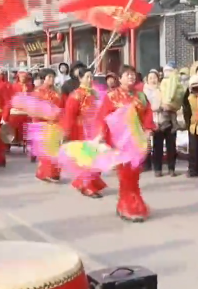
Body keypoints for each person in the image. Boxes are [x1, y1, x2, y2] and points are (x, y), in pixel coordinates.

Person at [95, 65, 155, 222]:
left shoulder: (141, 96)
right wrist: (102, 134)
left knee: (134, 174)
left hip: (136, 141)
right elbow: (103, 117)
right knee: (125, 174)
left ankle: (128, 203)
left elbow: (148, 115)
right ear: (119, 78)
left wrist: (148, 131)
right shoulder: (112, 96)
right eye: (127, 75)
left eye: (133, 75)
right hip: (119, 142)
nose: (131, 77)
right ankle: (128, 205)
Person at [59, 66, 107, 198]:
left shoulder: (95, 93)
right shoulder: (76, 95)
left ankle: (90, 184)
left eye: (92, 77)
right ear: (80, 78)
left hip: (95, 130)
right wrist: (66, 133)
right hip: (82, 131)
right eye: (87, 77)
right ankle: (87, 186)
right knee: (87, 159)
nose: (90, 79)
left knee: (96, 158)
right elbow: (69, 115)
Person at [151, 64, 183, 177]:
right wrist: (159, 107)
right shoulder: (150, 91)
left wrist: (171, 106)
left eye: (154, 77)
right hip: (157, 122)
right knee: (157, 148)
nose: (153, 80)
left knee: (171, 147)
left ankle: (171, 168)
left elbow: (176, 101)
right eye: (151, 78)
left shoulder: (165, 86)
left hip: (170, 121)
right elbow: (148, 106)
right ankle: (158, 169)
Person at [32, 68, 63, 182]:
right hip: (43, 124)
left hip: (55, 123)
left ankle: (54, 172)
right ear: (43, 79)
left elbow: (61, 107)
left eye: (52, 77)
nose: (51, 79)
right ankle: (45, 173)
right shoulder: (37, 92)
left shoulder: (57, 92)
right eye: (49, 77)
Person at [182, 75, 198, 178]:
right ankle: (193, 170)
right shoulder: (188, 98)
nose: (196, 89)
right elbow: (186, 112)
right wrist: (188, 125)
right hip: (193, 126)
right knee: (193, 149)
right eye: (193, 87)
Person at [6, 69, 34, 146]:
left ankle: (25, 140)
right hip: (17, 109)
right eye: (21, 77)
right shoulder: (14, 86)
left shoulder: (30, 85)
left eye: (24, 77)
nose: (23, 78)